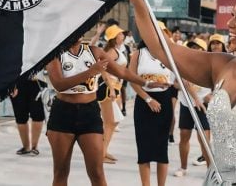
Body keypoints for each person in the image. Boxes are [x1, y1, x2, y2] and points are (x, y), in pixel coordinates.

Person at [119, 0, 236, 186]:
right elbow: (162, 49)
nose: (229, 24)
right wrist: (138, 0)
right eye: (232, 15)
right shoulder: (222, 65)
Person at [45, 37, 168, 186]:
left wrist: (146, 82)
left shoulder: (94, 51)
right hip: (63, 112)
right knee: (61, 172)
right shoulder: (55, 54)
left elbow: (121, 71)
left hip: (89, 112)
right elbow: (59, 84)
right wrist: (90, 72)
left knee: (97, 172)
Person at [129, 39, 175, 186]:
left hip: (164, 101)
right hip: (144, 101)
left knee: (162, 148)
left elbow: (177, 77)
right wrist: (148, 99)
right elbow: (131, 79)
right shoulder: (138, 54)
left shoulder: (168, 54)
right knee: (144, 149)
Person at [173, 38, 211, 177]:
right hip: (186, 104)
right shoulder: (182, 65)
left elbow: (217, 84)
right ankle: (183, 168)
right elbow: (176, 84)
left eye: (197, 47)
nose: (194, 49)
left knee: (205, 139)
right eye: (192, 46)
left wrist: (211, 96)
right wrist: (182, 85)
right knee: (184, 136)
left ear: (203, 50)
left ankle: (210, 170)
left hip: (203, 105)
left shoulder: (209, 65)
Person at [98, 24, 127, 164]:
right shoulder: (112, 51)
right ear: (115, 37)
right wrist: (110, 87)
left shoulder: (116, 50)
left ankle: (103, 150)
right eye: (120, 34)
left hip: (113, 88)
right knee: (110, 122)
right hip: (107, 88)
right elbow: (102, 68)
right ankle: (101, 154)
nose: (123, 35)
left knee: (112, 122)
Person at [10, 71, 46, 156]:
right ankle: (26, 147)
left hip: (37, 82)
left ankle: (34, 147)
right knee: (20, 116)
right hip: (16, 82)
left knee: (37, 115)